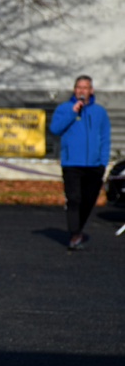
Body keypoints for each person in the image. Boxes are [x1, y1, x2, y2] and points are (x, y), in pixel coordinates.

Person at [49, 75, 111, 250]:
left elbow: (105, 138)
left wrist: (103, 162)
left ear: (91, 90)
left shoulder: (99, 111)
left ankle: (78, 229)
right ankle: (74, 234)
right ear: (74, 90)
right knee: (74, 199)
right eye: (78, 87)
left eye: (85, 88)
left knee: (89, 199)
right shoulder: (64, 108)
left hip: (94, 165)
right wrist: (72, 111)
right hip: (71, 164)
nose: (81, 91)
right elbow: (55, 128)